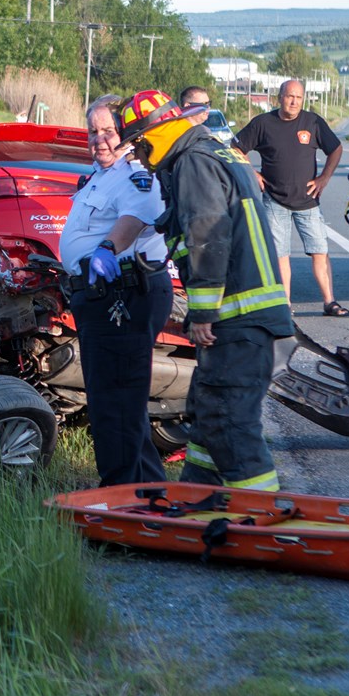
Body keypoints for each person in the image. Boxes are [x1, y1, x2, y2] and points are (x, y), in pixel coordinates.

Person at [118, 89, 294, 491]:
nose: (139, 157)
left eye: (138, 146)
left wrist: (202, 313)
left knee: (230, 424)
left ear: (150, 137)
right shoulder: (214, 151)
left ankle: (258, 518)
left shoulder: (192, 163)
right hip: (243, 318)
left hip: (235, 318)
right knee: (209, 416)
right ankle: (200, 500)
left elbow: (207, 236)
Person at [59, 94, 175, 486]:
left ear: (124, 133)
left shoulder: (134, 171)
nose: (100, 139)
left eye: (108, 131)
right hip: (102, 297)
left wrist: (108, 249)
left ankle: (121, 500)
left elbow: (134, 218)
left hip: (123, 294)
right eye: (93, 132)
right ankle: (147, 492)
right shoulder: (100, 174)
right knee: (118, 403)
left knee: (115, 403)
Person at [232, 79, 347, 316]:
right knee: (281, 255)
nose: (294, 102)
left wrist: (324, 178)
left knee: (320, 251)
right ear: (279, 97)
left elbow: (336, 148)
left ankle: (330, 301)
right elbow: (234, 148)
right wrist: (251, 172)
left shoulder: (313, 122)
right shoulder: (263, 123)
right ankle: (285, 305)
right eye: (289, 96)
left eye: (298, 97)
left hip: (308, 201)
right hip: (274, 201)